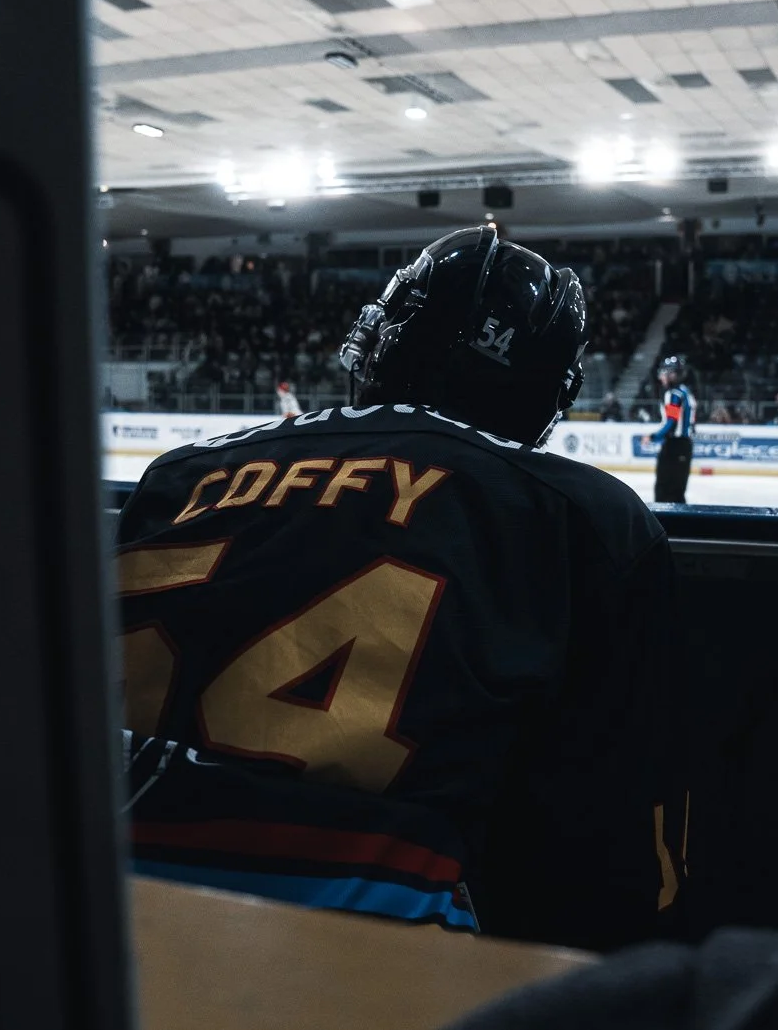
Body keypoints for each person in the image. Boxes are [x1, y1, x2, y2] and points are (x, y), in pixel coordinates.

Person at [115, 226, 686, 951]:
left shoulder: (179, 474)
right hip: (371, 948)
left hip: (98, 907)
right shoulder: (587, 521)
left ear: (387, 339)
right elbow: (620, 859)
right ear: (548, 389)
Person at [652, 355, 694, 503]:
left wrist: (653, 437)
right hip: (685, 446)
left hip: (674, 446)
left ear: (673, 375)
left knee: (665, 491)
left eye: (664, 373)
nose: (661, 377)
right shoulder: (685, 391)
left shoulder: (674, 394)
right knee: (678, 490)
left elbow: (671, 422)